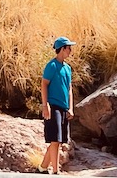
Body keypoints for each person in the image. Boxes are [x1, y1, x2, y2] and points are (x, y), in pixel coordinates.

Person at [41, 36, 75, 174]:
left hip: (64, 107)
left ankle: (42, 167)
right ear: (61, 49)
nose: (70, 51)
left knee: (59, 141)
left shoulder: (67, 68)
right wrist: (45, 105)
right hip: (53, 105)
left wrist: (71, 108)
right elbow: (44, 84)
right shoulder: (52, 65)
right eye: (68, 48)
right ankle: (55, 171)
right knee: (55, 139)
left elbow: (69, 88)